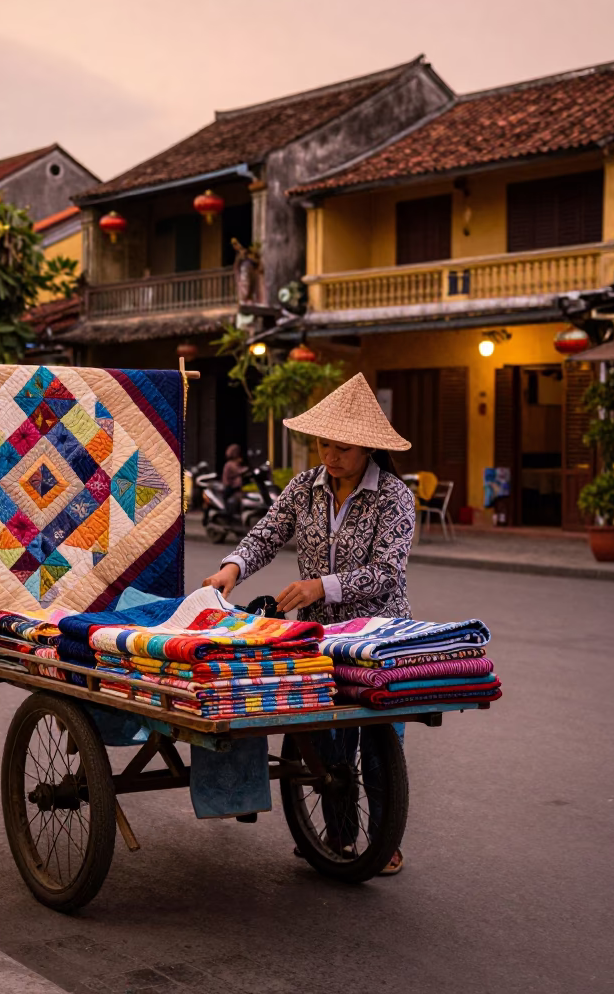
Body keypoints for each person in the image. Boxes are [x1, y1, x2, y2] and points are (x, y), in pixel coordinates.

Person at [202, 372, 415, 875]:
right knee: (324, 739)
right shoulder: (304, 488)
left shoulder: (394, 497)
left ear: (367, 449)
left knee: (380, 745)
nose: (330, 455)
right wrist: (231, 568)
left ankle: (384, 844)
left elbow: (388, 572)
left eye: (342, 447)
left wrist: (322, 585)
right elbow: (264, 537)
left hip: (377, 637)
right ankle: (336, 839)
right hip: (318, 638)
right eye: (323, 444)